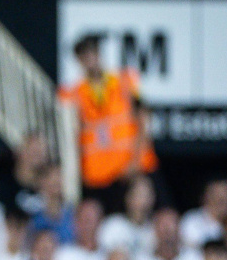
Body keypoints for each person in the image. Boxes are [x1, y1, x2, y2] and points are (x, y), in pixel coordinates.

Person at [58, 34, 160, 214]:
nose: (90, 61)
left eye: (92, 54)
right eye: (84, 57)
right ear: (79, 61)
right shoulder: (73, 94)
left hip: (131, 168)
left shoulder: (125, 82)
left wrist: (134, 163)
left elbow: (143, 119)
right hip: (99, 175)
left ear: (99, 55)